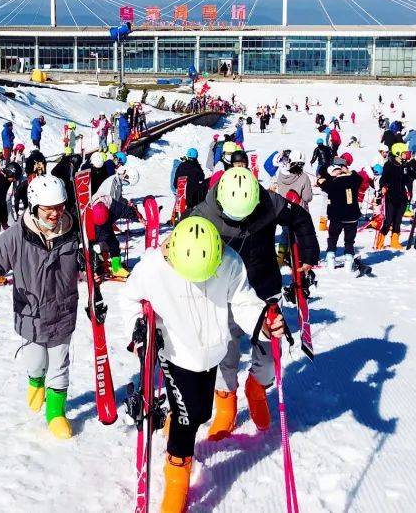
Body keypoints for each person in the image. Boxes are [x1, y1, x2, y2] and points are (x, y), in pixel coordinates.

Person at [124, 216, 286, 513]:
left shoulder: (229, 262)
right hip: (175, 350)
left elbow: (242, 301)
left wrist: (263, 321)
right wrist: (138, 330)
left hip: (211, 351)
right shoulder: (151, 267)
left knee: (200, 412)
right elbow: (131, 299)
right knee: (188, 421)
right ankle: (176, 478)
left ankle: (176, 416)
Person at [188, 167, 319, 442]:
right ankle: (226, 401)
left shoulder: (269, 201)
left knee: (271, 352)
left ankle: (257, 388)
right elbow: (180, 246)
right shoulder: (202, 215)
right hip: (224, 294)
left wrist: (308, 252)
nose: (241, 221)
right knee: (225, 350)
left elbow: (299, 217)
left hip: (263, 287)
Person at [0, 175, 81, 439]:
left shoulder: (74, 230)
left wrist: (96, 263)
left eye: (60, 206)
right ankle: (35, 380)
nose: (56, 213)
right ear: (34, 206)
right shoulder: (18, 235)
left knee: (60, 365)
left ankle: (55, 413)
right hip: (31, 314)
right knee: (36, 361)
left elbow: (88, 258)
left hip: (63, 312)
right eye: (48, 208)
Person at [317, 157, 365, 270]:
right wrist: (348, 171)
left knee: (333, 238)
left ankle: (330, 260)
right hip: (352, 217)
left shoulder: (332, 182)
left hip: (336, 217)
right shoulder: (353, 180)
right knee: (349, 240)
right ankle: (348, 262)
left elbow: (322, 183)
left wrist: (330, 175)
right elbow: (359, 178)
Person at [376, 143, 410, 250]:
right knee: (389, 220)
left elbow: (411, 176)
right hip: (391, 196)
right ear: (398, 153)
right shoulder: (389, 165)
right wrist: (383, 187)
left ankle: (394, 241)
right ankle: (380, 241)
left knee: (398, 220)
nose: (406, 155)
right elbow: (383, 179)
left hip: (402, 197)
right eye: (404, 153)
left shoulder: (404, 165)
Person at [173, 148, 207, 212]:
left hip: (181, 195)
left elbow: (175, 183)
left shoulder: (181, 165)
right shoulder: (197, 168)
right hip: (193, 197)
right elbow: (201, 178)